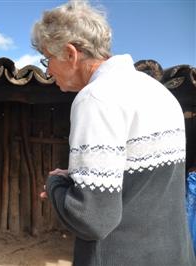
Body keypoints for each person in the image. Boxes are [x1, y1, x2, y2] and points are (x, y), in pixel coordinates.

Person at [32, 1, 195, 265]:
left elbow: (92, 219)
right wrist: (77, 176)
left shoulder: (95, 99)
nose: (48, 70)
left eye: (47, 58)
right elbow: (138, 181)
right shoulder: (157, 92)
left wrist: (55, 185)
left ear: (71, 53)